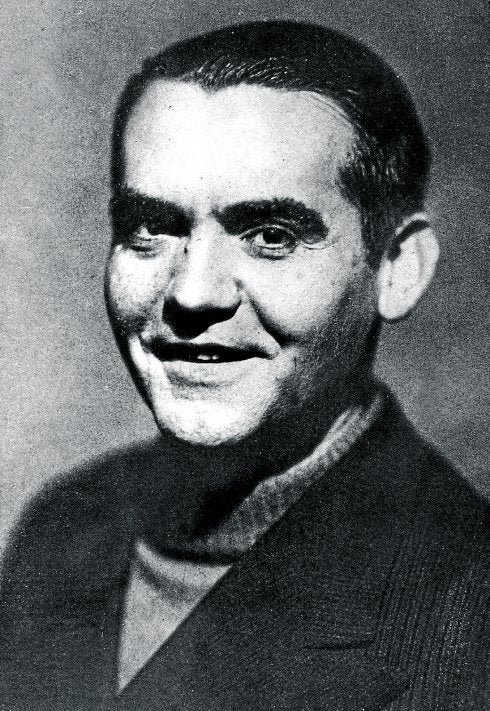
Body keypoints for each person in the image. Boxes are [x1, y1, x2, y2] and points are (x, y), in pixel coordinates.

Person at [0, 20, 488, 711]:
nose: (194, 293)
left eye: (270, 235)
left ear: (397, 267)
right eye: (151, 228)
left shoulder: (465, 615)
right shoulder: (63, 528)